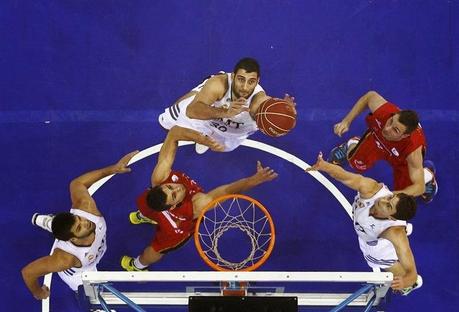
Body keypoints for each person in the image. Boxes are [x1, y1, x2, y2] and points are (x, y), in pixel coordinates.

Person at [121, 126, 278, 271]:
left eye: (169, 187)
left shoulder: (159, 178)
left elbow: (174, 133)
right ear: (173, 206)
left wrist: (202, 139)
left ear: (159, 186)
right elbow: (227, 190)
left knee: (146, 204)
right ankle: (137, 265)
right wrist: (253, 181)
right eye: (174, 195)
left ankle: (142, 216)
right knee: (158, 249)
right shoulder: (197, 205)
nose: (177, 188)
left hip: (152, 206)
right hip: (174, 228)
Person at [21, 151, 138, 299]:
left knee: (61, 224)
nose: (85, 222)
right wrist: (38, 293)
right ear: (73, 239)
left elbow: (77, 183)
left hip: (88, 249)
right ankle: (48, 222)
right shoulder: (65, 259)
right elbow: (28, 272)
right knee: (94, 296)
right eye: (79, 227)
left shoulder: (86, 208)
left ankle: (48, 221)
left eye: (78, 219)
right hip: (80, 272)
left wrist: (113, 169)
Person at [306, 152, 422, 295]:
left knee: (386, 263)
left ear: (392, 218)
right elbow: (346, 176)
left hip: (378, 245)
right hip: (366, 233)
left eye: (388, 206)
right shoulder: (372, 189)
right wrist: (324, 166)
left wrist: (407, 281)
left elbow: (412, 272)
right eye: (390, 197)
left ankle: (411, 287)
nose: (383, 200)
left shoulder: (395, 233)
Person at [158, 57, 295, 153]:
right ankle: (198, 91)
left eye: (251, 82)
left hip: (229, 130)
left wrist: (286, 113)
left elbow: (268, 111)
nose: (245, 87)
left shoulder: (259, 101)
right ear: (233, 76)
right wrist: (225, 113)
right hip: (210, 113)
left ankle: (206, 136)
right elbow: (192, 111)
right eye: (241, 80)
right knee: (166, 122)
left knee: (220, 148)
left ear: (258, 80)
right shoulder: (219, 84)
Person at [329, 90, 437, 203]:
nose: (387, 128)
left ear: (404, 135)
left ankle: (427, 175)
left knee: (404, 196)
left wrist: (388, 195)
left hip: (401, 159)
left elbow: (419, 188)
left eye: (395, 130)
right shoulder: (385, 112)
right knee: (356, 163)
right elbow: (369, 96)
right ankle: (352, 144)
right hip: (378, 140)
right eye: (391, 121)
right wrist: (346, 121)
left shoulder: (413, 152)